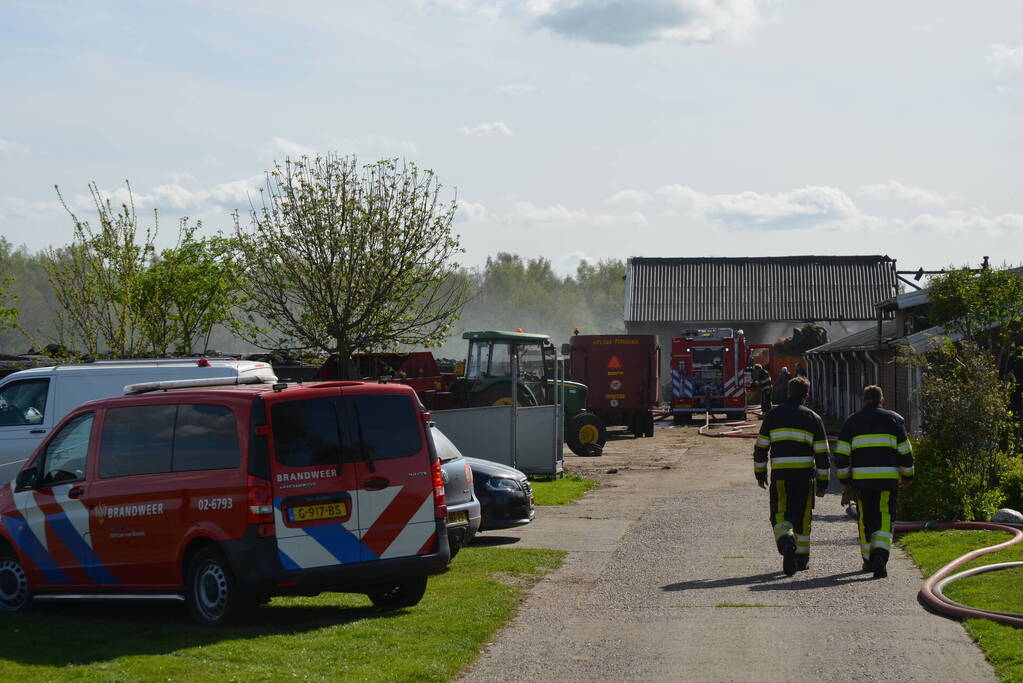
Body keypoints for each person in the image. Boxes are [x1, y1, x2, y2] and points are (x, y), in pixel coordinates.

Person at [833, 385, 914, 579]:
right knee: (885, 517)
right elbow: (906, 452)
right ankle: (880, 555)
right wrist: (907, 476)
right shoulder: (894, 420)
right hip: (887, 481)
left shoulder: (852, 422)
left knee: (865, 520)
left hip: (861, 483)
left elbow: (841, 454)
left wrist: (844, 479)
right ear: (882, 400)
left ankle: (869, 559)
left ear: (864, 401)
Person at [753, 376, 831, 576]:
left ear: (788, 393)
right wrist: (823, 483)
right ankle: (801, 559)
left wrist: (760, 473)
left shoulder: (772, 415)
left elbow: (761, 447)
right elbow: (822, 454)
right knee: (803, 517)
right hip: (805, 477)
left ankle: (787, 542)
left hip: (780, 475)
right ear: (806, 395)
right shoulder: (813, 418)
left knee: (779, 512)